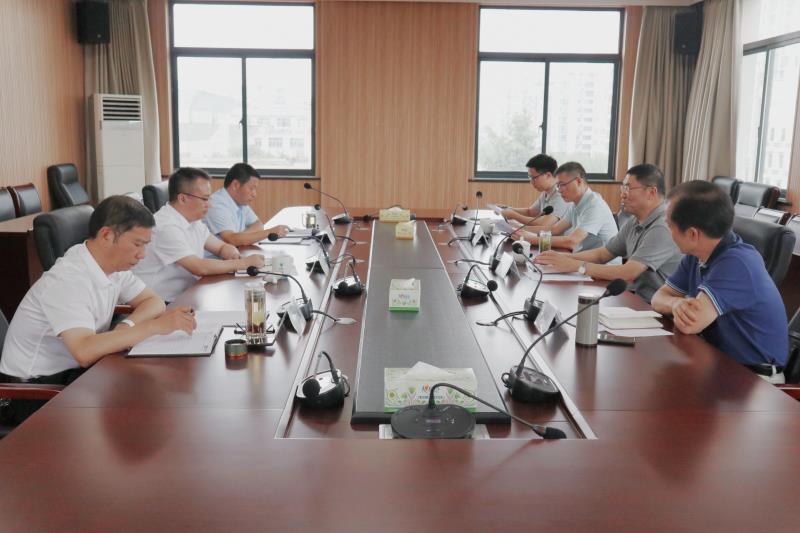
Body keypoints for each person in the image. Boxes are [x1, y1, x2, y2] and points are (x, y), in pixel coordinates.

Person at [0, 196, 197, 422]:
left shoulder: (111, 267)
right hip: (32, 393)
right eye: (137, 244)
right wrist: (153, 327)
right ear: (107, 236)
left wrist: (127, 326)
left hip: (71, 375)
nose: (142, 254)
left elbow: (154, 301)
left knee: (151, 388)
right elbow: (84, 351)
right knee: (139, 406)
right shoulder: (68, 280)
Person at [651, 180, 788, 383]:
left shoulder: (738, 262)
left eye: (669, 226)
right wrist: (676, 303)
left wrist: (677, 306)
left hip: (754, 380)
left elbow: (690, 324)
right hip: (719, 364)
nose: (668, 232)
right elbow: (658, 298)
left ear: (692, 234)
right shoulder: (696, 255)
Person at [535, 164, 682, 303]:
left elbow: (628, 273)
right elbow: (603, 254)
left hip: (657, 307)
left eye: (628, 188)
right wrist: (561, 258)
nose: (622, 194)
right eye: (622, 188)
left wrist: (576, 266)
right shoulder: (635, 220)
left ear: (651, 192)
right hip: (636, 298)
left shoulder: (664, 225)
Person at [133, 167, 265, 301]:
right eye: (205, 199)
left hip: (189, 293)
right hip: (162, 303)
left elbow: (220, 247)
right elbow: (198, 267)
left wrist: (231, 252)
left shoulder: (193, 221)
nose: (210, 205)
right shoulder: (166, 226)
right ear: (183, 199)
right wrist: (243, 263)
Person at [518, 162, 618, 255]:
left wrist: (530, 239)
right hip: (582, 258)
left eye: (562, 185)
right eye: (558, 185)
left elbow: (572, 241)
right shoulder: (575, 203)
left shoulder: (595, 205)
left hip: (602, 265)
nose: (559, 190)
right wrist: (519, 229)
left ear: (578, 181)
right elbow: (555, 229)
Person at [204, 162, 290, 246]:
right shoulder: (216, 204)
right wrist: (269, 232)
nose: (254, 194)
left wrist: (241, 238)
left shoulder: (240, 202)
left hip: (233, 253)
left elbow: (258, 225)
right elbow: (232, 239)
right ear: (236, 185)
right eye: (251, 188)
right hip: (216, 255)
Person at [500, 154, 568, 228]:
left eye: (534, 177)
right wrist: (508, 209)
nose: (531, 182)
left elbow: (544, 223)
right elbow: (531, 212)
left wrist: (514, 215)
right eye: (530, 177)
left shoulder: (561, 195)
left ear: (548, 175)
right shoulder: (546, 192)